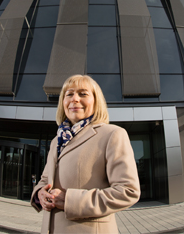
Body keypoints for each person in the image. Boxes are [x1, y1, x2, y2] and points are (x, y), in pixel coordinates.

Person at [31, 75, 140, 234]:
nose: (74, 99)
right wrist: (39, 193)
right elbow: (45, 179)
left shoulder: (113, 134)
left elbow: (128, 191)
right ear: (63, 102)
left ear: (96, 101)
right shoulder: (56, 141)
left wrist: (70, 201)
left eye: (83, 94)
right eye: (69, 94)